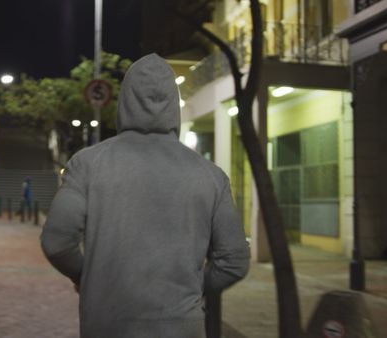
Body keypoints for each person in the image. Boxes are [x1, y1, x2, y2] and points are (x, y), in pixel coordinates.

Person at [41, 54, 250, 338]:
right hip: (181, 326)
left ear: (125, 102)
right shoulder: (210, 175)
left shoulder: (88, 163)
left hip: (108, 323)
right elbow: (234, 261)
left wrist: (88, 277)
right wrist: (192, 287)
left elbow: (57, 242)